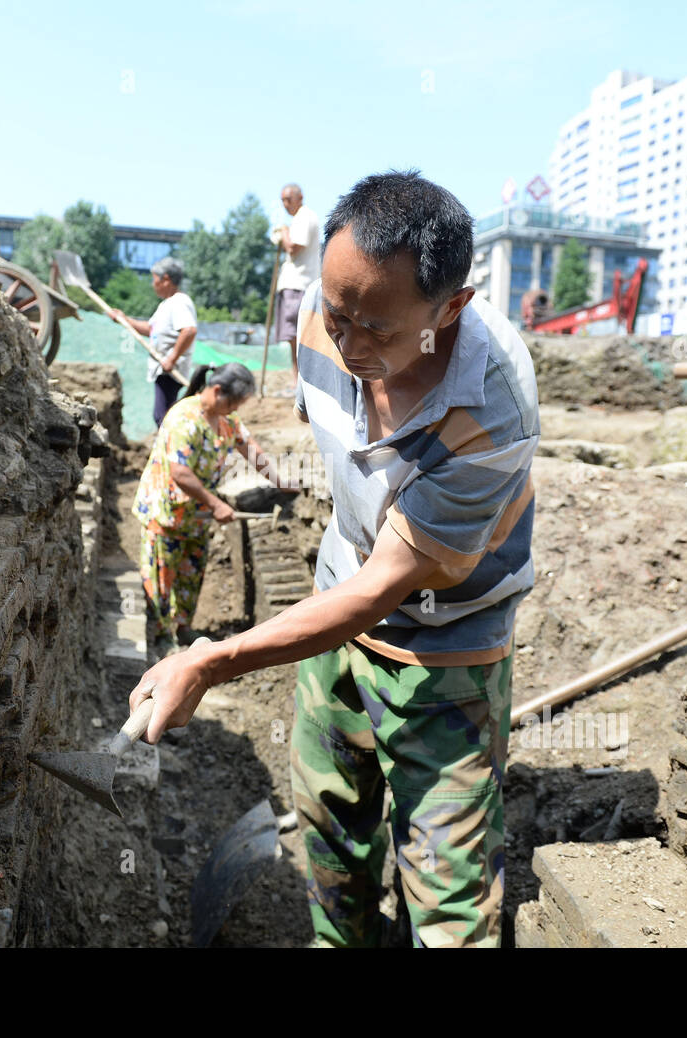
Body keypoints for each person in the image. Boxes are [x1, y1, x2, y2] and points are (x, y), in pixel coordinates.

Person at [124, 171, 540, 948]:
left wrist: (213, 661)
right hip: (336, 609)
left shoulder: (491, 410)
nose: (346, 345)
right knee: (329, 836)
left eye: (376, 329)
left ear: (450, 308)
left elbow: (389, 584)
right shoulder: (322, 317)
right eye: (336, 312)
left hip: (446, 647)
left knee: (449, 898)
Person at [132, 362, 292, 655]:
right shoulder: (184, 418)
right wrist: (217, 504)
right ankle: (158, 639)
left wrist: (282, 481)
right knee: (160, 579)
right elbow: (180, 473)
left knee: (190, 574)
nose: (235, 410)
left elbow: (251, 448)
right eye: (234, 402)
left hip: (195, 516)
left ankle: (182, 629)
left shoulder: (226, 420)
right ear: (217, 391)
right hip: (165, 513)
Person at [107, 257, 197, 427]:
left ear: (166, 280)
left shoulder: (180, 302)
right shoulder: (166, 305)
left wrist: (172, 359)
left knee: (163, 417)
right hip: (164, 368)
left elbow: (189, 330)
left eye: (154, 279)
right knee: (163, 416)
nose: (152, 284)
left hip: (170, 370)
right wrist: (124, 319)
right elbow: (150, 329)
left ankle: (172, 450)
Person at [270, 184, 320, 388]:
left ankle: (303, 382)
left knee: (299, 335)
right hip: (295, 284)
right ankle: (297, 381)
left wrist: (283, 232)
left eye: (288, 199)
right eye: (282, 200)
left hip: (299, 284)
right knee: (293, 338)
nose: (285, 204)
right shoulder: (300, 218)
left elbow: (293, 248)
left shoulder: (304, 217)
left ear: (300, 197)